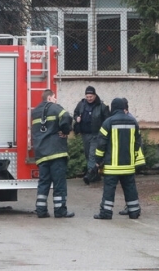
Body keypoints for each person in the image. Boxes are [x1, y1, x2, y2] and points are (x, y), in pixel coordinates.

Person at [93, 98, 146, 220]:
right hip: (128, 165)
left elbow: (101, 144)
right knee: (130, 188)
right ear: (123, 107)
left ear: (113, 108)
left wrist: (98, 160)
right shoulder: (133, 122)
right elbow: (138, 143)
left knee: (109, 189)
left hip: (112, 165)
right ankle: (134, 212)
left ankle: (106, 213)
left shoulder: (108, 122)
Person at [31, 89, 75, 218]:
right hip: (56, 152)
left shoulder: (35, 112)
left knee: (43, 182)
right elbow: (66, 116)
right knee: (59, 183)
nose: (56, 100)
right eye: (54, 97)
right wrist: (65, 131)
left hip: (41, 153)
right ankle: (60, 210)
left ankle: (41, 210)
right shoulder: (55, 108)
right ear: (49, 98)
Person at [73, 86, 110, 184]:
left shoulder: (102, 106)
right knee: (87, 155)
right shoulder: (81, 104)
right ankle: (96, 174)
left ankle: (89, 175)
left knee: (92, 154)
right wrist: (77, 118)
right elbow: (75, 113)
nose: (89, 98)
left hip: (96, 134)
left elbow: (107, 120)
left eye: (91, 96)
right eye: (87, 96)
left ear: (95, 95)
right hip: (85, 134)